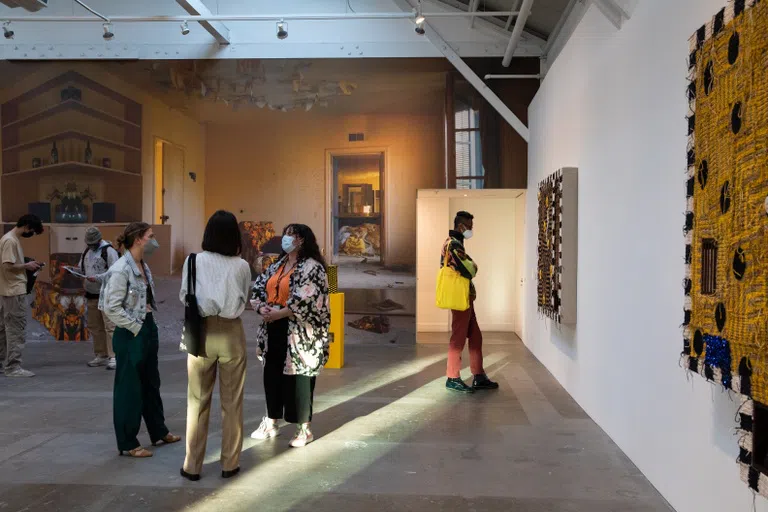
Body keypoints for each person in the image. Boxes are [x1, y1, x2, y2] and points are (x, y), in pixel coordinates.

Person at [179, 211, 251, 481]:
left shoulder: (193, 261)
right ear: (235, 235)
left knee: (197, 401)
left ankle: (192, 465)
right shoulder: (242, 266)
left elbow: (184, 295)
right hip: (232, 333)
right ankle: (230, 463)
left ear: (208, 233)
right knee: (232, 403)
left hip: (201, 331)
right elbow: (244, 297)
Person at [100, 222, 180, 457]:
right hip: (130, 332)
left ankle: (158, 430)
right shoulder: (120, 269)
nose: (154, 241)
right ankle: (128, 442)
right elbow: (110, 307)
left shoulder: (142, 265)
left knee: (151, 383)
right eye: (150, 236)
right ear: (138, 240)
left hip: (147, 326)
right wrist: (135, 327)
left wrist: (146, 326)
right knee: (129, 388)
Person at [250, 224, 330, 448]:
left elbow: (307, 298)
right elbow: (258, 287)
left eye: (291, 235)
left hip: (300, 331)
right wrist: (261, 308)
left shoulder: (313, 267)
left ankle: (303, 428)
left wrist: (281, 312)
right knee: (272, 374)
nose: (286, 238)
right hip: (273, 326)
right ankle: (271, 420)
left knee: (300, 379)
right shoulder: (278, 263)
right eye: (286, 234)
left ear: (302, 240)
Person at [442, 211, 498, 393]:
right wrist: (473, 264)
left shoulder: (457, 244)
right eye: (470, 227)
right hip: (460, 298)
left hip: (465, 296)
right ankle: (452, 377)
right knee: (458, 337)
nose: (471, 230)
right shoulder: (453, 245)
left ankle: (479, 376)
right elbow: (470, 269)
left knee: (475, 336)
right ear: (461, 226)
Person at [0, 214, 44, 377]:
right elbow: (8, 266)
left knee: (4, 328)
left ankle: (2, 361)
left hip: (8, 290)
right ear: (26, 226)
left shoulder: (9, 239)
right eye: (31, 230)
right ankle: (13, 367)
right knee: (15, 328)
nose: (30, 233)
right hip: (13, 290)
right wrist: (27, 265)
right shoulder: (10, 240)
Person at [80, 226, 120, 370]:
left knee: (110, 326)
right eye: (88, 243)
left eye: (93, 243)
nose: (91, 245)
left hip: (106, 294)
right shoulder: (86, 252)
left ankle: (114, 356)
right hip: (91, 294)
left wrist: (98, 278)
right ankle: (101, 354)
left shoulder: (108, 251)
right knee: (95, 326)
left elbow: (116, 272)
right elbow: (82, 268)